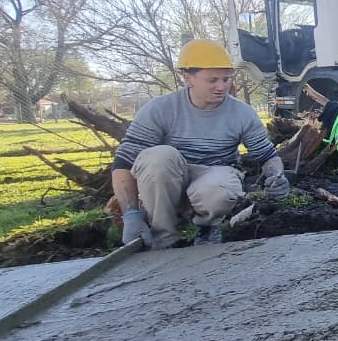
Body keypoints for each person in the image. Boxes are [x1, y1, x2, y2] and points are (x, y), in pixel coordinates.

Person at [111, 39, 290, 249]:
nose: (222, 87)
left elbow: (267, 156)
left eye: (226, 79)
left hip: (212, 182)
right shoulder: (160, 109)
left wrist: (276, 176)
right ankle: (164, 237)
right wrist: (130, 213)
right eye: (212, 80)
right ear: (188, 78)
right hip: (170, 183)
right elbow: (123, 163)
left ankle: (207, 228)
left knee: (221, 185)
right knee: (158, 157)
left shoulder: (241, 113)